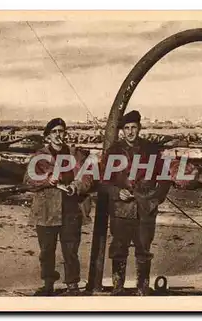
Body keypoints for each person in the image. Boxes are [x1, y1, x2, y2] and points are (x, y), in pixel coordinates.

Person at [101, 110, 173, 296]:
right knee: (118, 249)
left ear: (139, 128)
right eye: (127, 128)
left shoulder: (151, 150)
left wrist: (155, 199)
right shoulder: (113, 152)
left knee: (143, 250)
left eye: (134, 127)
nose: (130, 132)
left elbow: (165, 178)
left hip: (145, 211)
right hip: (120, 211)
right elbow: (104, 182)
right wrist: (117, 192)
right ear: (122, 131)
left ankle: (142, 288)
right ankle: (118, 289)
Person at [23, 118, 93, 296]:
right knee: (47, 251)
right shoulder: (39, 157)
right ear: (48, 136)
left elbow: (88, 178)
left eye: (61, 131)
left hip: (71, 210)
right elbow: (28, 181)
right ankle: (48, 284)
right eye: (54, 132)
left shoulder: (75, 155)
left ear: (65, 134)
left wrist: (76, 186)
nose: (58, 135)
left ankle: (72, 285)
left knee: (71, 251)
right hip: (46, 211)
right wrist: (46, 180)